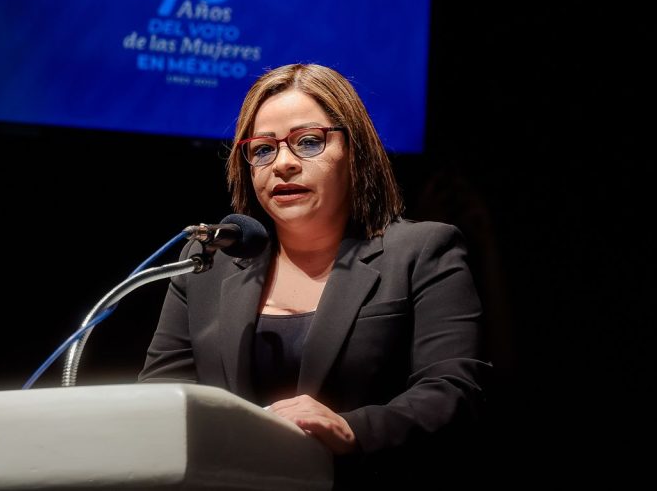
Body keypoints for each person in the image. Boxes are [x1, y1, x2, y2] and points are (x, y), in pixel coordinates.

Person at [139, 63, 492, 487]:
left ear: (355, 151)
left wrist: (351, 429)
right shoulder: (207, 262)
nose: (283, 164)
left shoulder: (422, 251)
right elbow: (162, 397)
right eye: (263, 149)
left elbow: (454, 391)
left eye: (308, 142)